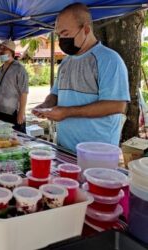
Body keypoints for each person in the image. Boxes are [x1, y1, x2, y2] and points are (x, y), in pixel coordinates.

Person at [32, 3, 130, 152]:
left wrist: (67, 112)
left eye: (65, 33)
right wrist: (46, 105)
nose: (61, 40)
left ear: (86, 29)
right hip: (64, 148)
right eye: (59, 35)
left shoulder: (109, 60)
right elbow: (55, 94)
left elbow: (117, 105)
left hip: (97, 153)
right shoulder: (66, 62)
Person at [0, 40, 29, 133]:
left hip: (13, 112)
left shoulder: (19, 69)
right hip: (0, 111)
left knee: (17, 139)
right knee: (3, 138)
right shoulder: (0, 69)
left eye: (4, 50)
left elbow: (24, 92)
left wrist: (21, 113)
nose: (1, 52)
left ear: (12, 52)